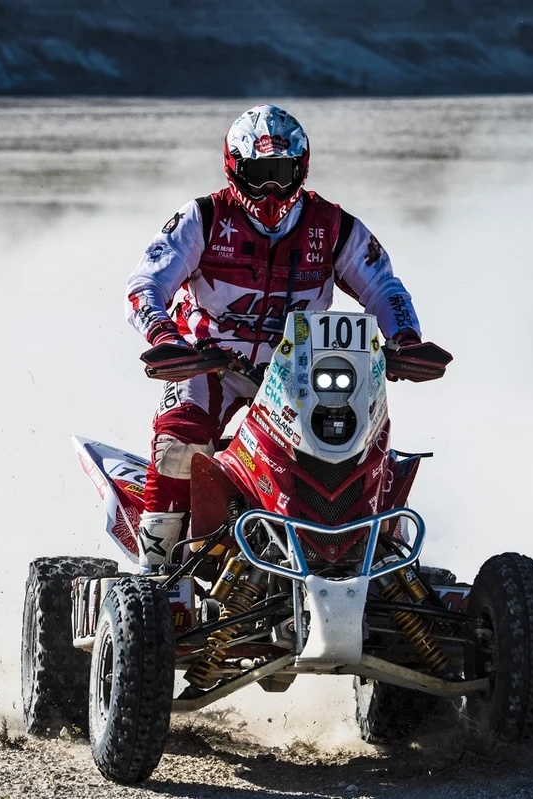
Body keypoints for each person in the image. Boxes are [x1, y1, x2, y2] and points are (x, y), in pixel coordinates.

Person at [125, 104, 448, 573]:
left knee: (361, 450)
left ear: (301, 168)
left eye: (281, 172)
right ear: (235, 168)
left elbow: (384, 287)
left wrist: (407, 340)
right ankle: (154, 577)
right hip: (210, 366)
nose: (272, 188)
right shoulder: (203, 218)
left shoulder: (333, 226)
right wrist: (162, 334)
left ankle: (379, 561)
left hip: (300, 375)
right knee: (177, 443)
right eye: (260, 173)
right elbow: (145, 285)